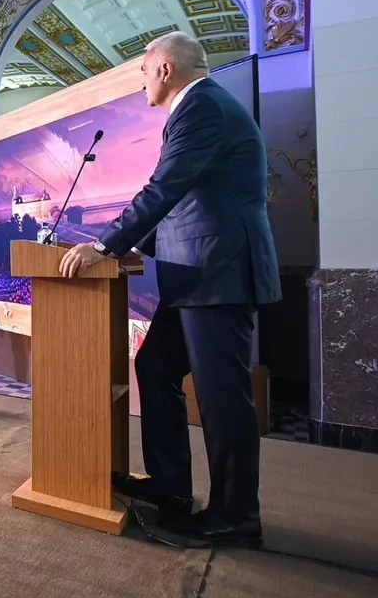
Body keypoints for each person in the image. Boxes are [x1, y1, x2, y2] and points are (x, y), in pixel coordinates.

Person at [59, 32, 279, 546]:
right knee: (155, 366)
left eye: (143, 70)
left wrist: (105, 245)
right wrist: (135, 247)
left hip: (218, 273)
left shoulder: (202, 106)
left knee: (222, 397)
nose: (141, 81)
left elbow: (166, 187)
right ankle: (171, 486)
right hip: (196, 274)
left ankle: (236, 516)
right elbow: (187, 199)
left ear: (164, 69)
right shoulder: (199, 107)